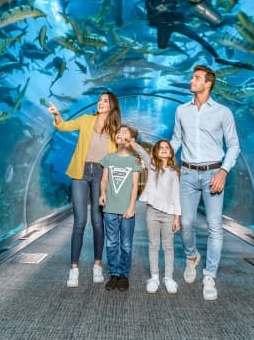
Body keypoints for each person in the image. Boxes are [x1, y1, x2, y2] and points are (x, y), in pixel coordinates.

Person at [171, 65, 241, 301]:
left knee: (214, 226)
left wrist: (223, 171)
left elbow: (233, 145)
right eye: (192, 77)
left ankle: (210, 275)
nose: (192, 80)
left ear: (208, 83)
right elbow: (176, 140)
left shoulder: (223, 112)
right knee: (187, 223)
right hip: (188, 174)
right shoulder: (181, 111)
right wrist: (158, 157)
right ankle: (192, 257)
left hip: (214, 173)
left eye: (197, 78)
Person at [48, 92, 121, 288]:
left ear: (112, 105)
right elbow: (64, 126)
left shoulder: (115, 130)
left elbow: (117, 156)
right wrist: (57, 115)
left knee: (98, 222)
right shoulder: (86, 120)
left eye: (105, 101)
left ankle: (97, 265)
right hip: (80, 172)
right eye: (99, 100)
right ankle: (74, 270)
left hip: (100, 174)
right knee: (79, 222)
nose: (100, 103)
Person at [144, 0, 254, 70]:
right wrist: (162, 12)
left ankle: (217, 57)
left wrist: (202, 1)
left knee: (199, 39)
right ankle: (171, 45)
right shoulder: (150, 1)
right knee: (162, 45)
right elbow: (151, 18)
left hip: (178, 23)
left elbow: (190, 1)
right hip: (163, 26)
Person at [98, 125, 143, 291]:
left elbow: (134, 185)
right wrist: (102, 193)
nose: (120, 134)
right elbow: (104, 179)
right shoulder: (109, 158)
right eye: (119, 132)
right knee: (111, 243)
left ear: (130, 139)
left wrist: (132, 206)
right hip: (110, 207)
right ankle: (114, 274)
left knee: (126, 244)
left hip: (126, 210)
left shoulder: (134, 160)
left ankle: (124, 274)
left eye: (125, 132)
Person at [136, 139, 181, 294]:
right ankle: (154, 277)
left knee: (168, 247)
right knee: (153, 245)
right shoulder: (152, 166)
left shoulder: (174, 172)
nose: (163, 149)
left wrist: (177, 217)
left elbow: (176, 196)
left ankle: (168, 278)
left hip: (168, 214)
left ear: (170, 153)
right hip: (152, 212)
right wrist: (131, 142)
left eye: (166, 147)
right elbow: (142, 152)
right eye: (160, 147)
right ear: (155, 152)